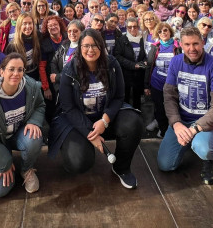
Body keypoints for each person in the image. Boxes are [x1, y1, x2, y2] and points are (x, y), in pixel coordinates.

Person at [49, 29, 143, 189]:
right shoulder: (69, 70)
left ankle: (121, 167)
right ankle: (76, 147)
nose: (90, 50)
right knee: (78, 163)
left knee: (133, 122)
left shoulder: (112, 64)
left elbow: (119, 97)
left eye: (95, 45)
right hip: (77, 120)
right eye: (86, 46)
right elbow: (68, 107)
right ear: (79, 48)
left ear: (101, 46)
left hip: (104, 116)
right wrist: (88, 133)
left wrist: (105, 121)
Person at [157, 27, 213, 185]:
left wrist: (194, 129)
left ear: (202, 43)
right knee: (165, 165)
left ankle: (209, 159)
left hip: (206, 122)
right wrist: (176, 123)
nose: (192, 49)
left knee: (204, 149)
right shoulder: (176, 62)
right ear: (181, 45)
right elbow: (169, 95)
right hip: (182, 120)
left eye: (195, 44)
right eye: (187, 44)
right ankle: (189, 141)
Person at [0, 52, 45, 196]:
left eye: (20, 69)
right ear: (2, 71)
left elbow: (39, 105)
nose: (16, 73)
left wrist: (34, 121)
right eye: (11, 69)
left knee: (34, 137)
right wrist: (4, 163)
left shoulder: (30, 88)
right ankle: (7, 162)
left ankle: (26, 169)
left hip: (17, 134)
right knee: (0, 190)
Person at [144, 22, 181, 137]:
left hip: (172, 84)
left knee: (171, 107)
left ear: (170, 31)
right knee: (159, 106)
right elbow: (149, 65)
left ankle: (168, 127)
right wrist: (146, 85)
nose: (163, 33)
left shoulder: (177, 46)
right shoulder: (155, 46)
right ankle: (162, 127)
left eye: (165, 30)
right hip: (157, 83)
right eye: (160, 31)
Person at [113, 17, 147, 110]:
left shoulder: (142, 39)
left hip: (139, 73)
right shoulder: (122, 39)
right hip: (126, 73)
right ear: (127, 28)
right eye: (130, 27)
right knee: (126, 95)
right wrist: (132, 65)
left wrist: (143, 62)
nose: (132, 29)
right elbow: (118, 56)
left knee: (137, 97)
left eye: (135, 26)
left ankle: (138, 114)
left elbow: (146, 53)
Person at [39, 15, 67, 121]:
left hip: (66, 78)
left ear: (60, 25)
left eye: (55, 24)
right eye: (49, 26)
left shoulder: (67, 37)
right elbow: (42, 67)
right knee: (52, 110)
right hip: (50, 81)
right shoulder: (44, 42)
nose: (53, 27)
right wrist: (46, 88)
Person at [50, 20, 85, 93]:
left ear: (81, 32)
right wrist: (58, 86)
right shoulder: (64, 45)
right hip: (61, 87)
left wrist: (58, 77)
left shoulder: (84, 48)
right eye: (69, 31)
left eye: (75, 31)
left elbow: (79, 71)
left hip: (76, 89)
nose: (72, 33)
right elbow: (54, 62)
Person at [5, 13, 41, 80]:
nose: (28, 26)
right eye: (24, 23)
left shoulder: (38, 37)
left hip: (36, 75)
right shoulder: (12, 46)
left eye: (30, 23)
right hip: (21, 79)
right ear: (19, 26)